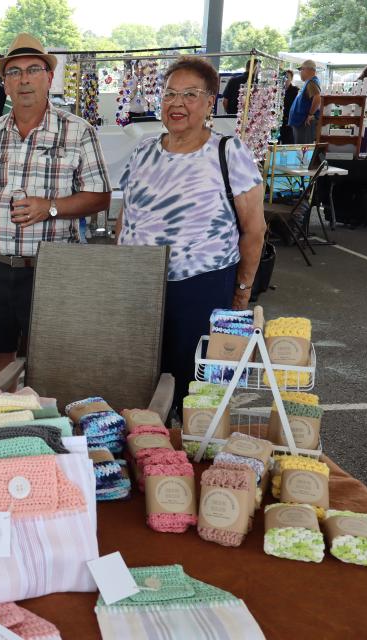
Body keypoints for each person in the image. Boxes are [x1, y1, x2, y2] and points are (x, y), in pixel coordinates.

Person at [114, 55, 266, 410]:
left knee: (197, 394)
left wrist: (240, 295)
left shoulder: (230, 152)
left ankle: (192, 459)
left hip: (202, 287)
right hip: (140, 289)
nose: (177, 103)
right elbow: (126, 216)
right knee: (140, 387)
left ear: (210, 102)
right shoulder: (143, 151)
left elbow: (255, 231)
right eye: (169, 94)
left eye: (190, 94)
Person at [0, 33, 111, 377]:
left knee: (54, 359)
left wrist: (51, 207)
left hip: (53, 268)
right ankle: (5, 426)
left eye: (33, 69)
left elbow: (100, 196)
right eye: (14, 72)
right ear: (6, 83)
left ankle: (49, 428)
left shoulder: (77, 131)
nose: (24, 79)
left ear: (48, 77)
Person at [289, 59, 322, 144]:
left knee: (303, 150)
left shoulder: (311, 82)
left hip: (304, 123)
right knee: (301, 150)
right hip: (301, 123)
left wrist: (310, 114)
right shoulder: (310, 82)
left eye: (301, 69)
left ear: (308, 69)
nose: (300, 72)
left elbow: (317, 98)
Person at [279, 70, 299, 144]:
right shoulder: (277, 90)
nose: (285, 79)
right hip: (278, 121)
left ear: (291, 79)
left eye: (287, 77)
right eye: (284, 77)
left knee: (288, 143)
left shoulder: (295, 90)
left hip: (289, 122)